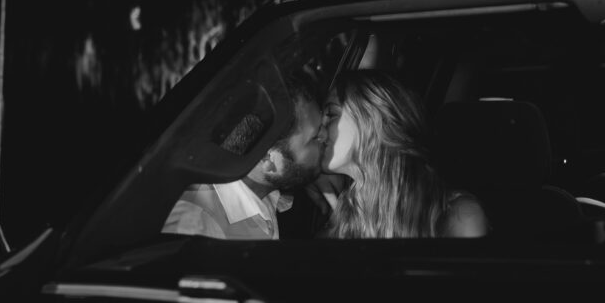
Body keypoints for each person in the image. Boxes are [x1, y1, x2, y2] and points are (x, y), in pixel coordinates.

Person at [314, 69, 488, 238]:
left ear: (374, 120)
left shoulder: (457, 214)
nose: (319, 129)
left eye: (331, 114)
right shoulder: (338, 211)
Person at [162, 73, 327, 240]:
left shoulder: (266, 193)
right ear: (267, 160)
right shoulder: (197, 228)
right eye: (314, 138)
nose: (325, 135)